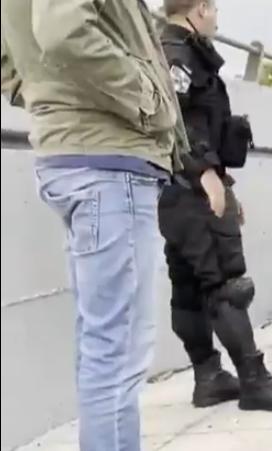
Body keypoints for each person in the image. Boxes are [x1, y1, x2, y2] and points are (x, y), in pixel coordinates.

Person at [0, 0, 222, 449]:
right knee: (118, 352)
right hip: (110, 161)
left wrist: (49, 96)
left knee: (104, 346)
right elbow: (64, 33)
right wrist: (147, 100)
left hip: (83, 156)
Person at [158, 0, 272, 411]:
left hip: (176, 189)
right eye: (213, 8)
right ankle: (254, 381)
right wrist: (205, 174)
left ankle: (208, 378)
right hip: (191, 185)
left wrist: (220, 180)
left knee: (189, 286)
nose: (217, 17)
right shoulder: (178, 54)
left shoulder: (175, 51)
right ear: (199, 9)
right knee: (227, 284)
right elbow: (176, 120)